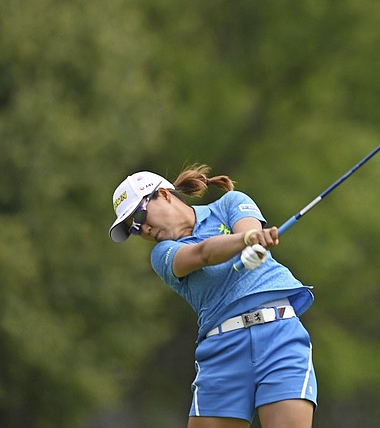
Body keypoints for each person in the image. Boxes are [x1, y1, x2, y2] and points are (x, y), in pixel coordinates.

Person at [109, 164, 317, 428]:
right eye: (133, 229)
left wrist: (253, 240)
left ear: (162, 194)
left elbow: (248, 232)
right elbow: (203, 254)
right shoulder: (162, 254)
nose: (143, 230)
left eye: (139, 217)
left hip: (280, 337)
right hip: (223, 350)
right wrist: (247, 241)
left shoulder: (230, 203)